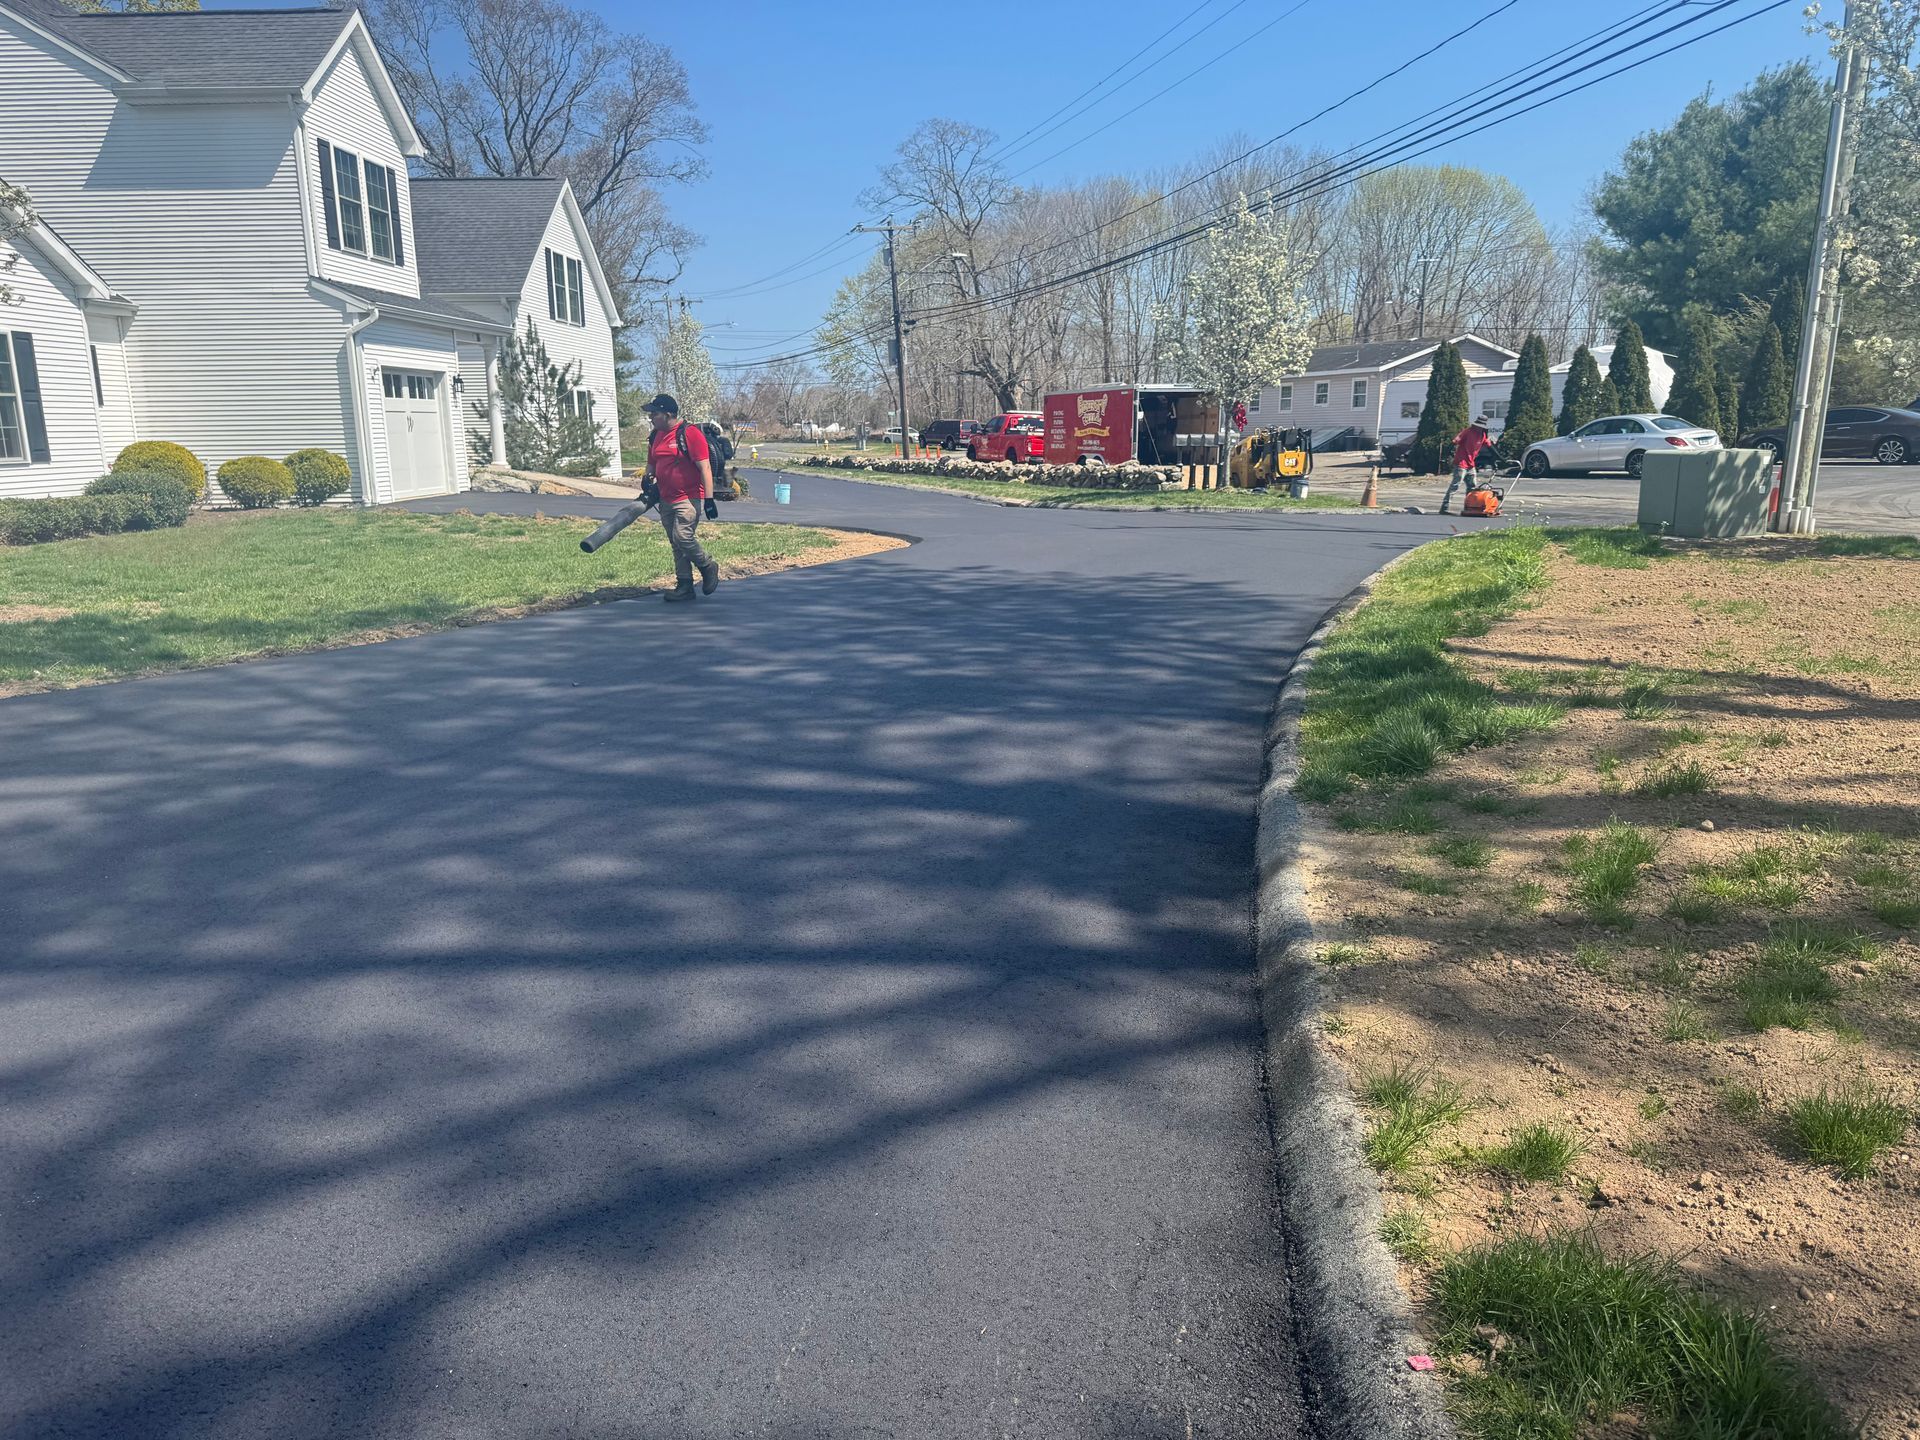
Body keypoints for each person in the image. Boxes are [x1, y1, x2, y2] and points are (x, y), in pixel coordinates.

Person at [641, 393, 720, 602]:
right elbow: (652, 462)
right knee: (676, 544)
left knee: (682, 537)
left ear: (668, 414)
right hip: (665, 498)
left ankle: (707, 565)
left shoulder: (689, 434)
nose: (651, 418)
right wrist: (647, 476)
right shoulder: (655, 435)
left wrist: (709, 500)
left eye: (654, 414)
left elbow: (705, 467)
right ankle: (684, 585)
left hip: (688, 498)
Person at [1441, 415, 1497, 515]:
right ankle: (1444, 508)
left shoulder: (1482, 435)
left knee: (1472, 487)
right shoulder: (1467, 432)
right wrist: (1447, 453)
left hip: (1471, 464)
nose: (1479, 428)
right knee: (1455, 485)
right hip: (1461, 463)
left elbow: (1490, 447)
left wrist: (1501, 459)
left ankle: (1469, 507)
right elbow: (1455, 441)